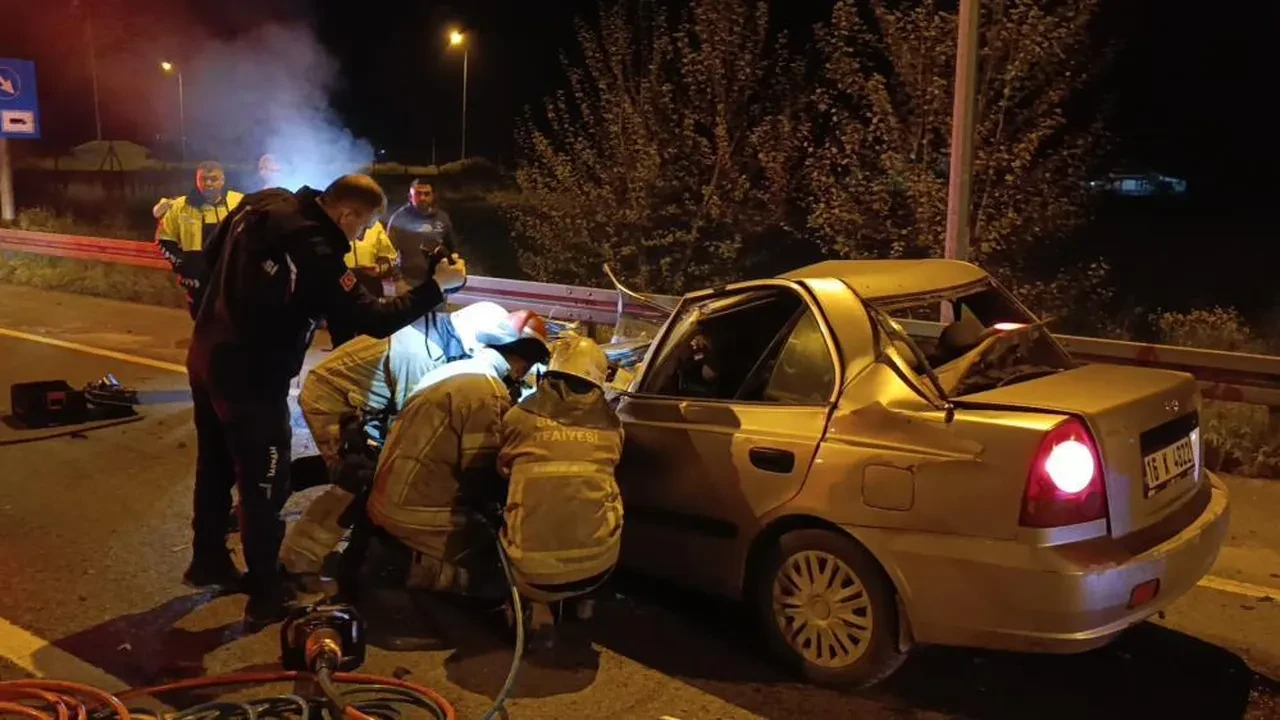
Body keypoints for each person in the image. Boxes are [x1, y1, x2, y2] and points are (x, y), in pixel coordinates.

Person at [183, 173, 469, 629]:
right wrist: (437, 288)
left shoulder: (264, 203)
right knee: (264, 483)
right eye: (361, 226)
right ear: (347, 213)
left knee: (215, 464)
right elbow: (372, 318)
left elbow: (211, 253)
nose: (358, 237)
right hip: (253, 375)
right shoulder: (314, 246)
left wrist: (229, 305)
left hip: (207, 354)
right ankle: (266, 594)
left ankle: (207, 560)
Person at [278, 301, 515, 581]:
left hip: (358, 403)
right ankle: (299, 561)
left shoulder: (433, 332)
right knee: (357, 482)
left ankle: (288, 483)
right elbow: (409, 423)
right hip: (333, 402)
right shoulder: (419, 357)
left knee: (370, 471)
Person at [356, 311, 550, 648]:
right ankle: (411, 570)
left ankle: (399, 561)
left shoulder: (452, 372)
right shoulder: (487, 392)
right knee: (503, 563)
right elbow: (482, 475)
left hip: (388, 500)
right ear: (522, 364)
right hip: (417, 513)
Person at [497, 336, 624, 627]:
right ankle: (583, 602)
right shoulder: (614, 427)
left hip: (530, 573)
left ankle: (532, 607)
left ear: (549, 376)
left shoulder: (518, 417)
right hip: (600, 566)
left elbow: (502, 470)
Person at [154, 161, 244, 319]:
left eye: (213, 179)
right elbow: (163, 239)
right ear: (196, 180)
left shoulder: (239, 203)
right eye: (203, 179)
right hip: (198, 281)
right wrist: (183, 264)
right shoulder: (181, 207)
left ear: (223, 180)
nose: (208, 184)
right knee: (202, 320)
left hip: (232, 276)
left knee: (233, 320)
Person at [327, 220, 401, 347]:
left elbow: (391, 258)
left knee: (368, 337)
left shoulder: (375, 226)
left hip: (369, 287)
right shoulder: (336, 223)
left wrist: (379, 269)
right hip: (341, 284)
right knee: (341, 336)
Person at [385, 179, 457, 288]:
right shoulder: (398, 219)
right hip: (407, 283)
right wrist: (398, 280)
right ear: (410, 196)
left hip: (437, 282)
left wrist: (451, 274)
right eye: (418, 194)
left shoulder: (442, 218)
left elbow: (452, 250)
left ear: (433, 196)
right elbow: (388, 253)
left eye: (426, 194)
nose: (422, 198)